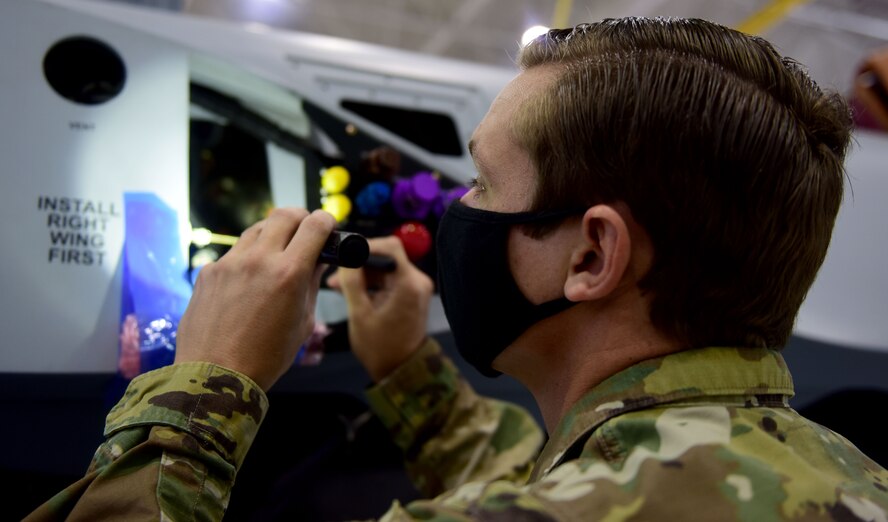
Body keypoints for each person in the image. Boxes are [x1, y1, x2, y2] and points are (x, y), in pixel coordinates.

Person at [27, 17, 888, 521]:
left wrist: (203, 390)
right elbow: (569, 473)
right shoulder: (847, 477)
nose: (460, 212)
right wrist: (408, 371)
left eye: (483, 181)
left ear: (591, 254)